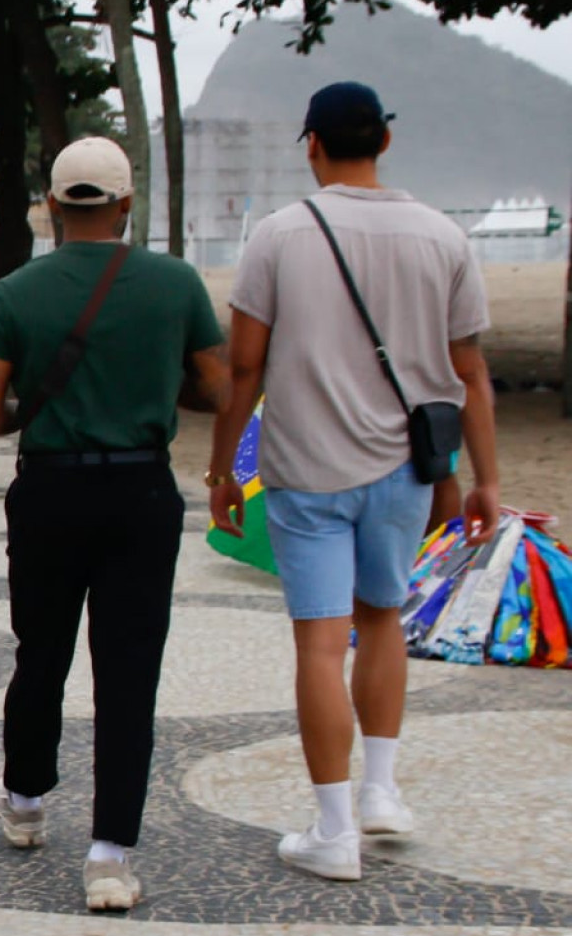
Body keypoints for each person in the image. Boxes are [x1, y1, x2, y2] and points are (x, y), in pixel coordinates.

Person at [207, 82, 497, 882]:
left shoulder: (278, 236)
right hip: (405, 470)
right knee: (382, 622)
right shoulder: (444, 236)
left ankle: (334, 831)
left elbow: (243, 364)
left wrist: (223, 468)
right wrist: (486, 479)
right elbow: (469, 369)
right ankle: (380, 791)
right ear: (386, 142)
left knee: (319, 641)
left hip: (305, 473)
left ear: (312, 145)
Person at [0, 138, 228, 913]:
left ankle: (25, 801)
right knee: (129, 672)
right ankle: (110, 854)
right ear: (125, 205)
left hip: (49, 491)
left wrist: (40, 406)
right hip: (142, 492)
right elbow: (218, 386)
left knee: (39, 652)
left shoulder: (16, 292)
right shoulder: (176, 284)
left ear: (52, 207)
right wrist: (150, 384)